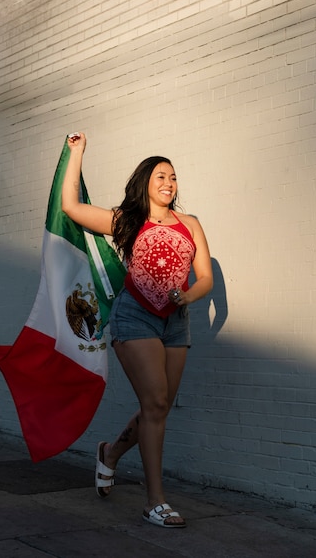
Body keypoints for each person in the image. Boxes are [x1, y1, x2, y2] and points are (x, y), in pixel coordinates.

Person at [61, 132, 213, 528]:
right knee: (156, 405)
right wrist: (76, 153)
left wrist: (189, 296)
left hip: (176, 322)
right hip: (135, 317)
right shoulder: (126, 220)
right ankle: (155, 502)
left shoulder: (191, 223)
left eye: (174, 177)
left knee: (157, 407)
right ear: (146, 181)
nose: (169, 183)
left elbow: (206, 279)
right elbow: (71, 206)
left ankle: (109, 453)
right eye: (161, 176)